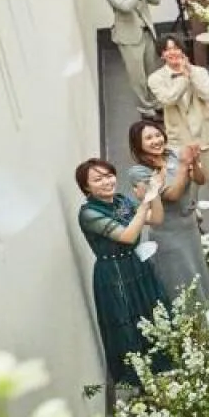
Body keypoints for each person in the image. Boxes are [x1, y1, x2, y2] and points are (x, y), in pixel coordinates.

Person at [75, 157, 167, 388]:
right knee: (127, 323)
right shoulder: (88, 213)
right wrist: (145, 202)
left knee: (152, 313)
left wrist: (154, 194)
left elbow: (156, 219)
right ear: (86, 187)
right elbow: (127, 236)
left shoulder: (121, 200)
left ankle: (162, 370)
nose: (107, 182)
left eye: (109, 175)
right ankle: (140, 381)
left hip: (136, 264)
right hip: (113, 273)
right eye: (98, 179)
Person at [148, 36, 209, 223]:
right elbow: (168, 99)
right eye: (167, 49)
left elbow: (208, 94)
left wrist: (191, 74)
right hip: (179, 137)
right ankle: (192, 217)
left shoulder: (199, 71)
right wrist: (183, 78)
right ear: (162, 55)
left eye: (176, 48)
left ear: (182, 50)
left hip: (207, 132)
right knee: (186, 180)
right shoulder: (156, 79)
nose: (173, 52)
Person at [125, 119, 209, 298]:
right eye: (149, 138)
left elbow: (201, 180)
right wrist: (183, 165)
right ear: (138, 144)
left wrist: (195, 161)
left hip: (190, 226)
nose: (156, 140)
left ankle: (208, 310)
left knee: (199, 272)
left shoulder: (174, 153)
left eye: (158, 135)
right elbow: (172, 195)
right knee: (181, 280)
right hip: (169, 232)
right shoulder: (139, 172)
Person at [103, 0, 161, 115]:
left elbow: (156, 1)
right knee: (137, 75)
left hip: (147, 32)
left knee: (152, 70)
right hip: (128, 37)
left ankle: (156, 102)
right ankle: (146, 107)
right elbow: (125, 6)